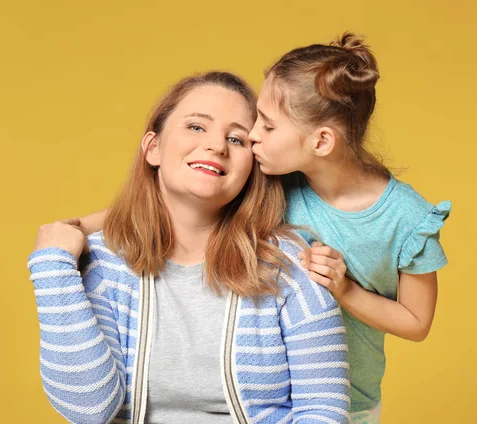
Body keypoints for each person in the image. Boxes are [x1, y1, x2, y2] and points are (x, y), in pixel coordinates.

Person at [78, 33, 451, 423]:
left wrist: (345, 289)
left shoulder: (407, 218)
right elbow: (164, 202)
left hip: (349, 402)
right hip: (277, 395)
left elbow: (417, 322)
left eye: (267, 127)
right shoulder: (278, 181)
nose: (253, 135)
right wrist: (74, 229)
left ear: (321, 141)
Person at [28, 71, 350, 424]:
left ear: (252, 168)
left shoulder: (289, 266)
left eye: (237, 139)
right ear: (153, 148)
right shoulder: (103, 264)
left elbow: (323, 411)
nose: (217, 145)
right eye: (197, 127)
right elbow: (89, 410)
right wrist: (52, 267)